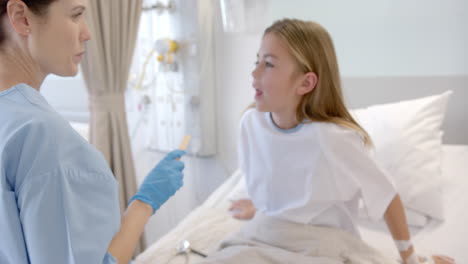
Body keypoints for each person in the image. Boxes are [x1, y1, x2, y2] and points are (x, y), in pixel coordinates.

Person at [224, 19, 455, 264]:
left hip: (320, 245)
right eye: (256, 61)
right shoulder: (250, 124)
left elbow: (386, 196)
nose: (254, 73)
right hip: (266, 234)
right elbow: (279, 185)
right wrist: (261, 210)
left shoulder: (332, 138)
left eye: (268, 64)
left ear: (306, 83)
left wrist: (410, 257)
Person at [0, 0, 185, 263]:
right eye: (76, 15)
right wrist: (144, 204)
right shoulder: (42, 136)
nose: (87, 33)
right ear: (22, 18)